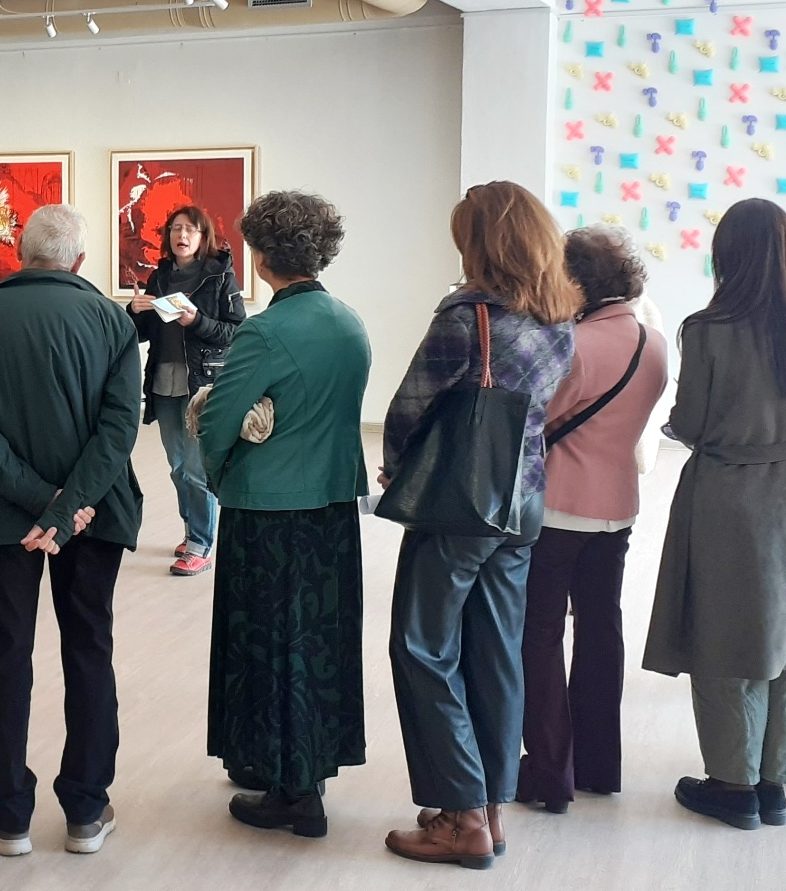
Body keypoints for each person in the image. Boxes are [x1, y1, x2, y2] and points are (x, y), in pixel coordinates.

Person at [380, 182, 581, 869]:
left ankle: (461, 817)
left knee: (423, 645)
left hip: (463, 503)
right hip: (525, 500)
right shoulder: (560, 317)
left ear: (481, 244)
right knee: (497, 651)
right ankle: (490, 809)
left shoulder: (467, 316)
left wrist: (394, 467)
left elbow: (410, 405)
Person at [0, 203, 142, 857]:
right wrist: (68, 505)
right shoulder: (112, 320)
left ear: (19, 254)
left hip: (1, 517)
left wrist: (40, 502)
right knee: (89, 648)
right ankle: (86, 809)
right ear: (79, 261)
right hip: (95, 513)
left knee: (5, 652)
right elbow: (120, 427)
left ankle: (8, 813)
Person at [194, 191, 370, 838]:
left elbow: (218, 420)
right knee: (316, 643)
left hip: (268, 511)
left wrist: (219, 476)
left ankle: (290, 793)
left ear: (263, 256)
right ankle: (302, 767)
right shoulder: (349, 323)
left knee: (266, 646)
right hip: (332, 507)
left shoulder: (266, 331)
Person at [645, 198, 786, 831]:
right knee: (781, 635)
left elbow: (692, 422)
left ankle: (734, 785)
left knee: (727, 634)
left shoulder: (709, 328)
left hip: (731, 495)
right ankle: (775, 783)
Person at [518, 227, 668, 814]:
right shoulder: (653, 343)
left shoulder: (574, 346)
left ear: (575, 282)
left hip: (560, 506)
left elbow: (535, 419)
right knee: (602, 629)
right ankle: (599, 764)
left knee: (539, 633)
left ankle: (550, 772)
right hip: (618, 505)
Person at [127, 206, 246, 575]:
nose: (182, 236)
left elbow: (236, 332)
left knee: (196, 468)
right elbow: (142, 333)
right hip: (163, 381)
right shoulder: (160, 276)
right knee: (178, 466)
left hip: (202, 382)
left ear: (203, 236)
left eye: (190, 230)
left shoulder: (219, 275)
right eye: (176, 229)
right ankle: (192, 529)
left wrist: (196, 321)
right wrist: (134, 310)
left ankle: (200, 543)